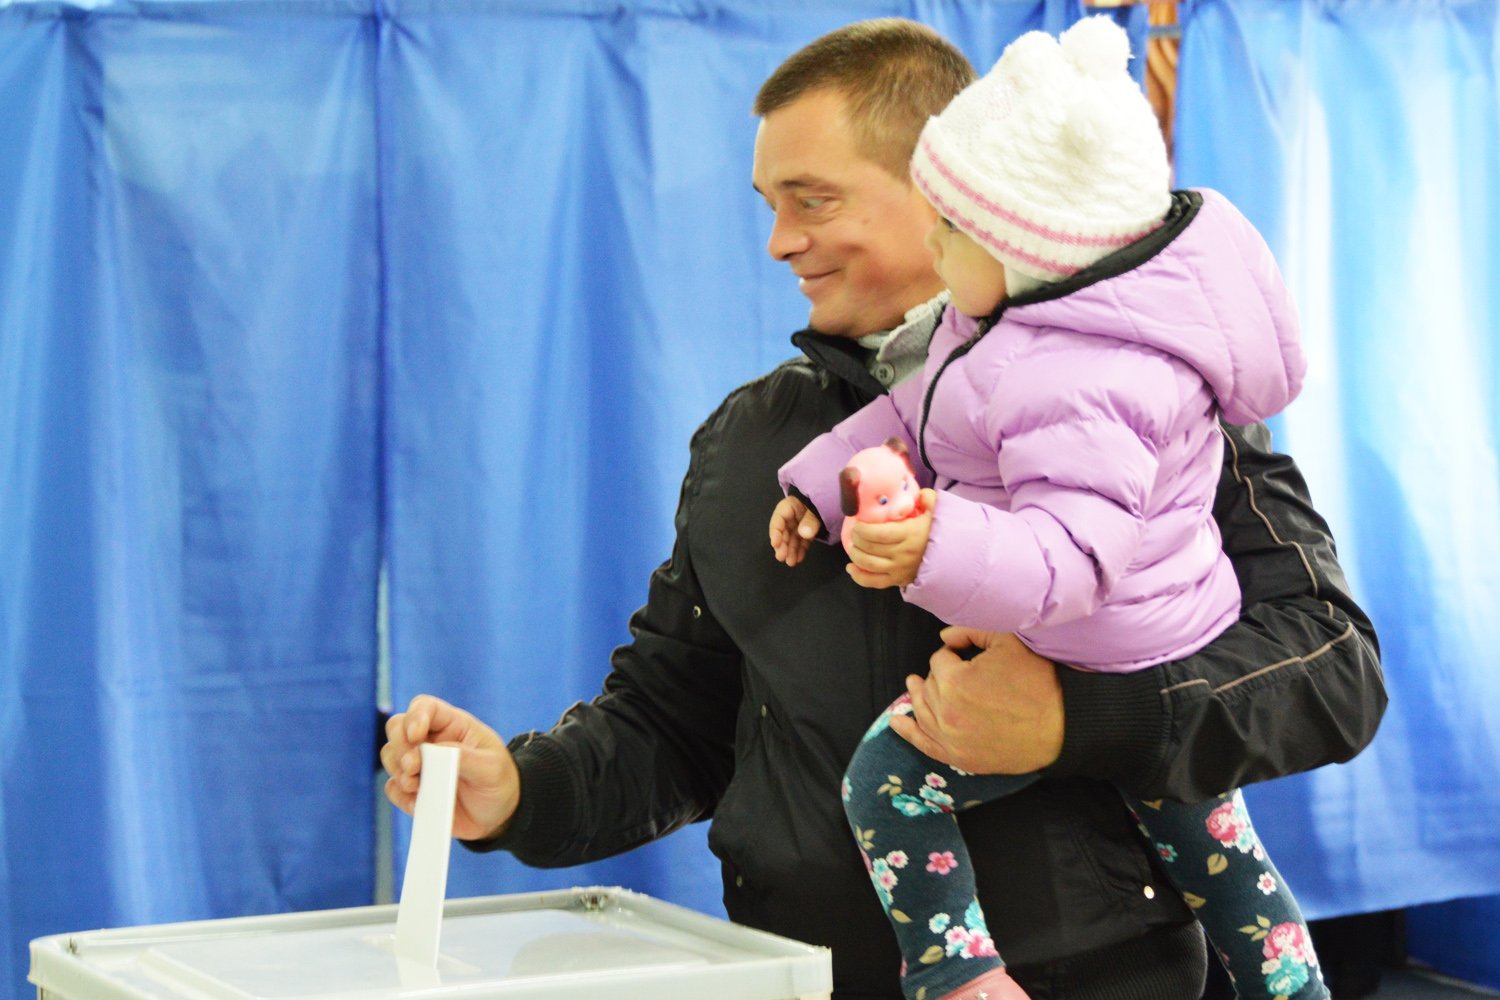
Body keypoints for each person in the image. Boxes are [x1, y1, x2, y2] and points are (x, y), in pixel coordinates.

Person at [381, 18, 1384, 1000]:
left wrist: (1075, 722)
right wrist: (520, 791)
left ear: (947, 191)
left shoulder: (1149, 401)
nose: (780, 242)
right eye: (770, 205)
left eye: (812, 201)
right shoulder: (754, 444)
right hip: (799, 979)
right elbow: (671, 723)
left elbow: (1330, 669)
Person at [770, 18, 1325, 1000]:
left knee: (891, 784)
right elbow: (916, 412)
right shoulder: (998, 326)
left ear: (1026, 247)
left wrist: (933, 542)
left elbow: (1071, 561)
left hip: (1123, 652)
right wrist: (819, 484)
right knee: (1221, 856)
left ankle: (957, 973)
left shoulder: (1087, 382)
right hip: (1109, 639)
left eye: (949, 229)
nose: (931, 244)